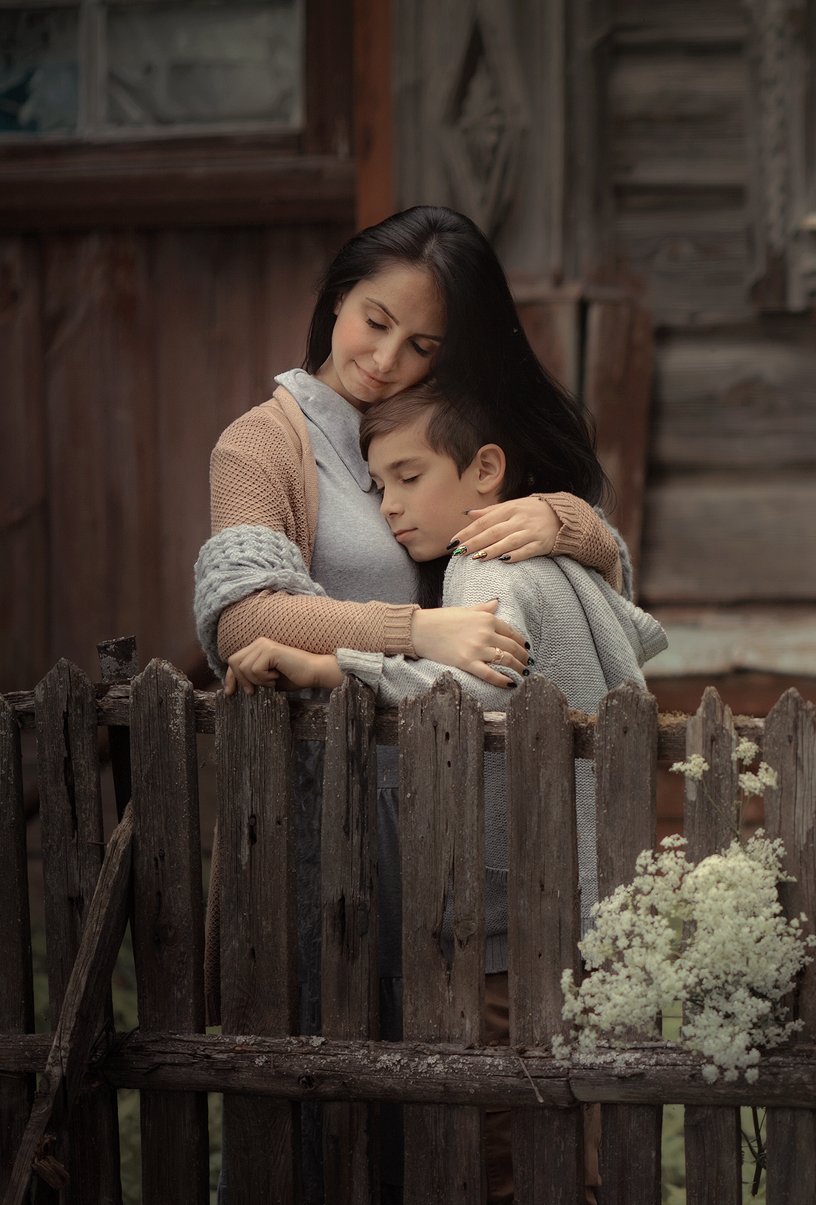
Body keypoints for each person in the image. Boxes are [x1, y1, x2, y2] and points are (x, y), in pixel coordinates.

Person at [192, 205, 632, 1204]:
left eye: (422, 343)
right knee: (327, 1089)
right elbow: (242, 613)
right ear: (335, 299)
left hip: (463, 820)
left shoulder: (445, 422)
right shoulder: (263, 445)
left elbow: (591, 596)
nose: (386, 360)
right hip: (327, 815)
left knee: (463, 1109)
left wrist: (566, 518)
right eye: (374, 320)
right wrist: (416, 629)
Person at [237, 380, 665, 1203]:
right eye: (378, 486)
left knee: (508, 1152)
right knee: (584, 1131)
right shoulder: (560, 567)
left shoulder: (481, 565)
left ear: (485, 470)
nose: (391, 506)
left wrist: (326, 664)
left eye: (409, 476)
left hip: (515, 915)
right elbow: (634, 634)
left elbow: (469, 695)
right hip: (596, 894)